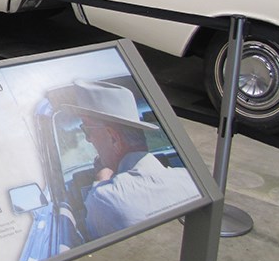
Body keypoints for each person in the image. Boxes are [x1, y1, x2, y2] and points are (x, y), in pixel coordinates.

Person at [67, 80, 200, 239]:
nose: (88, 139)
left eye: (87, 130)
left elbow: (90, 239)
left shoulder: (103, 198)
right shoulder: (189, 178)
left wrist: (100, 183)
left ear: (113, 138)